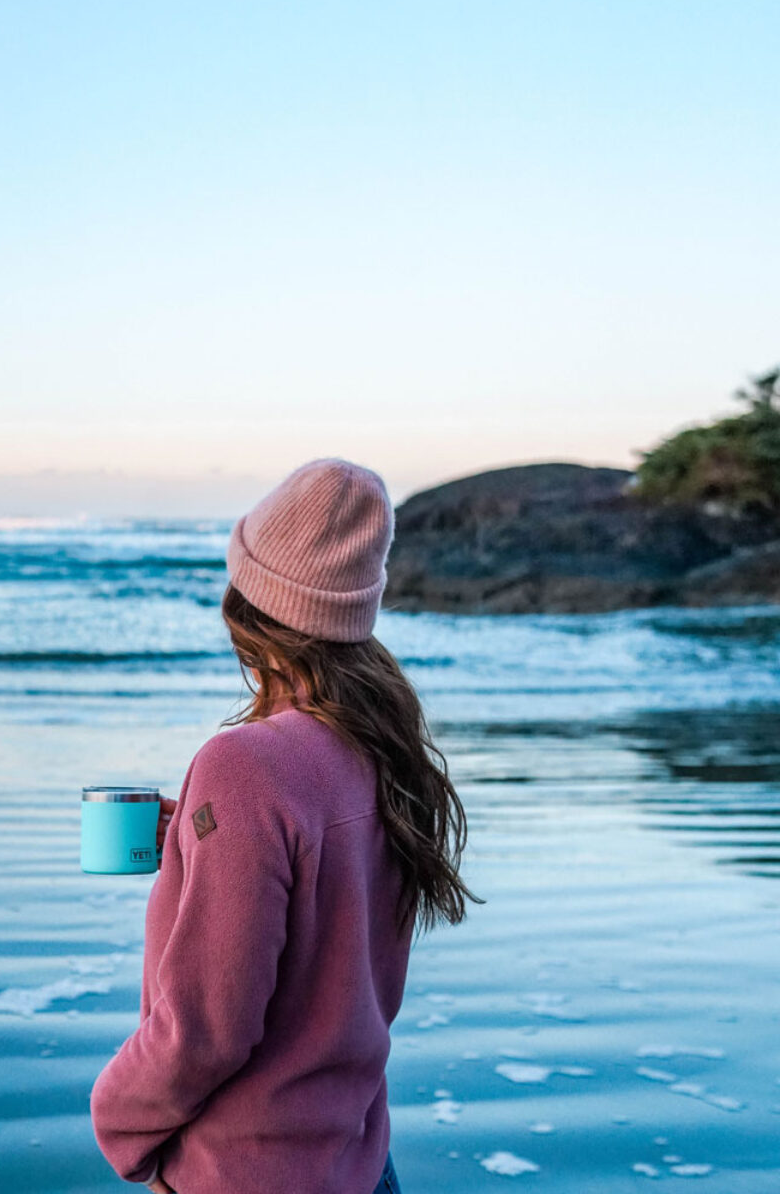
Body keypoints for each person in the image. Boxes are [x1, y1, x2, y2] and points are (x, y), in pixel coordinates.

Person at [90, 457, 478, 1193]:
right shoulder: (381, 746)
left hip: (241, 1173)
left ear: (251, 603)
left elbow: (206, 1028)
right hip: (358, 1161)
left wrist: (115, 1118)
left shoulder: (244, 766)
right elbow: (329, 912)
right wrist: (199, 844)